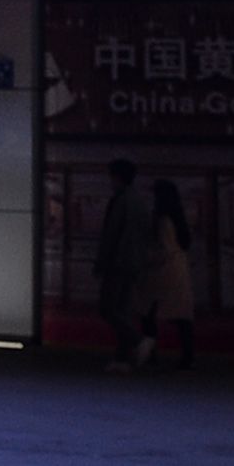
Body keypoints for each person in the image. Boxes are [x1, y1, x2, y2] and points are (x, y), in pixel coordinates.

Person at [94, 158, 161, 372]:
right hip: (134, 264)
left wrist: (101, 262)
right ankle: (122, 359)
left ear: (117, 177)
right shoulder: (139, 201)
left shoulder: (120, 200)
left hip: (117, 262)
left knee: (108, 308)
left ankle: (138, 341)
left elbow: (111, 235)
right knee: (122, 310)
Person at [147, 176, 198, 372]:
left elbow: (162, 248)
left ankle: (150, 353)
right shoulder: (179, 218)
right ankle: (188, 356)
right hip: (178, 270)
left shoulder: (162, 220)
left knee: (150, 311)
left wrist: (147, 258)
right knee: (182, 316)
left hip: (162, 271)